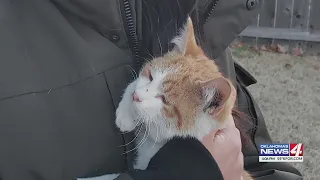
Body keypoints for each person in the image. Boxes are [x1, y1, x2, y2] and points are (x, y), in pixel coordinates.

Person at [0, 0, 303, 180]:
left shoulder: (199, 28)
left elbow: (264, 157)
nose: (138, 94)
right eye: (146, 78)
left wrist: (287, 152)